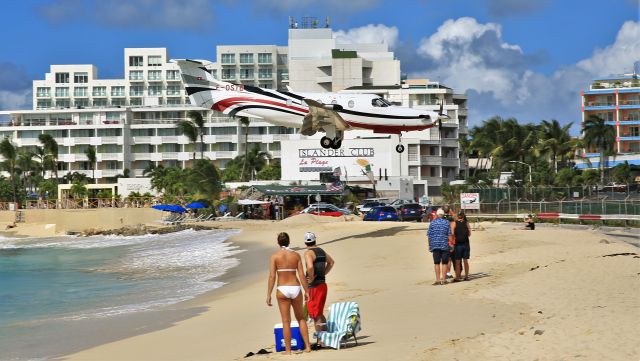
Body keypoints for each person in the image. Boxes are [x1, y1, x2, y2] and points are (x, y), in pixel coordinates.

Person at [267, 232, 312, 354]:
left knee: (286, 321)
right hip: (296, 288)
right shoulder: (296, 255)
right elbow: (301, 275)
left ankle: (288, 351)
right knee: (301, 318)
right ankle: (308, 347)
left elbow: (272, 277)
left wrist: (268, 294)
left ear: (278, 242)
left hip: (282, 289)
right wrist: (306, 291)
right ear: (289, 241)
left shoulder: (275, 256)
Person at [303, 232, 335, 346]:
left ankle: (321, 340)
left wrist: (311, 279)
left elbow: (310, 267)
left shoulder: (308, 253)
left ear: (305, 242)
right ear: (315, 240)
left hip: (314, 286)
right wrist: (324, 273)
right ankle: (326, 336)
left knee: (316, 314)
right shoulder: (322, 251)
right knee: (319, 313)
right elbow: (331, 262)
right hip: (322, 284)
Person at [427, 209, 451, 285]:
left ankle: (437, 280)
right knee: (444, 263)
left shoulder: (432, 223)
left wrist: (430, 245)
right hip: (444, 245)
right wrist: (451, 244)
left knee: (436, 263)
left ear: (436, 215)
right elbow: (449, 234)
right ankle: (444, 280)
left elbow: (429, 235)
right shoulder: (446, 222)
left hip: (435, 245)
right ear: (443, 215)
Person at [451, 211, 472, 281]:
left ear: (458, 216)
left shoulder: (454, 223)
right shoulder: (466, 223)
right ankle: (466, 276)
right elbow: (469, 234)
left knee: (457, 261)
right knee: (465, 260)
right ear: (463, 216)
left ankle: (457, 277)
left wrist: (452, 242)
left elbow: (452, 233)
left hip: (458, 244)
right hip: (466, 243)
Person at [441, 204, 456, 279]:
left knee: (443, 257)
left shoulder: (441, 218)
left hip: (442, 238)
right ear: (449, 210)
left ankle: (445, 272)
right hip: (451, 239)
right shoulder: (452, 218)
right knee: (449, 258)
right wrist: (451, 212)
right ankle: (448, 272)